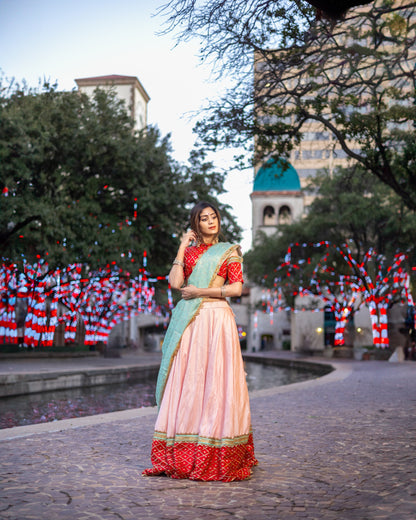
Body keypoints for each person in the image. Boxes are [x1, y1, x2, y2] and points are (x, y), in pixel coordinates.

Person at [143, 201, 258, 481]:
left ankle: (216, 446)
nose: (210, 221)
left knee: (218, 382)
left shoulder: (228, 251)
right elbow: (174, 282)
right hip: (192, 323)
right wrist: (182, 247)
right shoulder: (191, 253)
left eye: (214, 217)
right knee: (190, 382)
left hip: (217, 319)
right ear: (196, 224)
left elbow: (236, 288)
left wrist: (200, 291)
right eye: (204, 218)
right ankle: (184, 449)